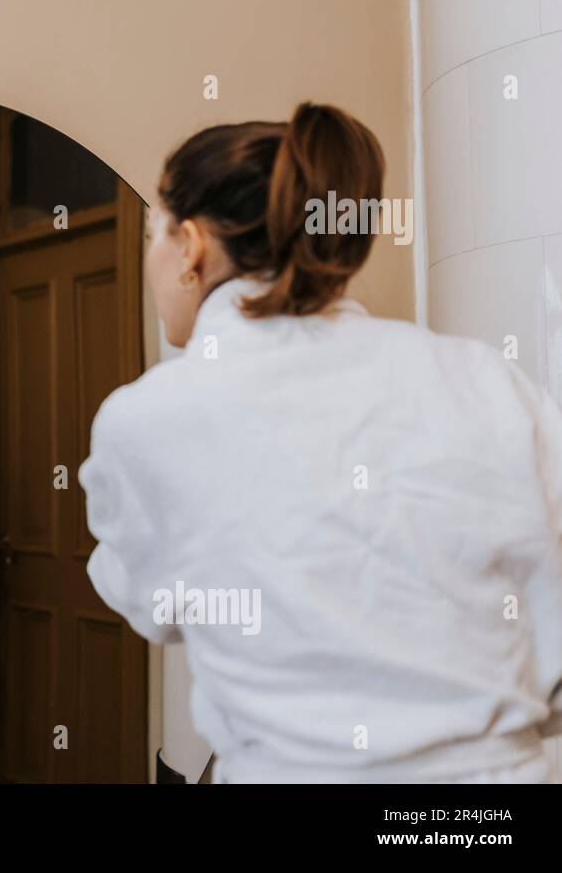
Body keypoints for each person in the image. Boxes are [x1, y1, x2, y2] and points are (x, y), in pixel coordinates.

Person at [79, 102, 562, 783]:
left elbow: (144, 595)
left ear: (189, 246)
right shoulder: (483, 377)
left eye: (151, 238)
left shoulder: (149, 421)